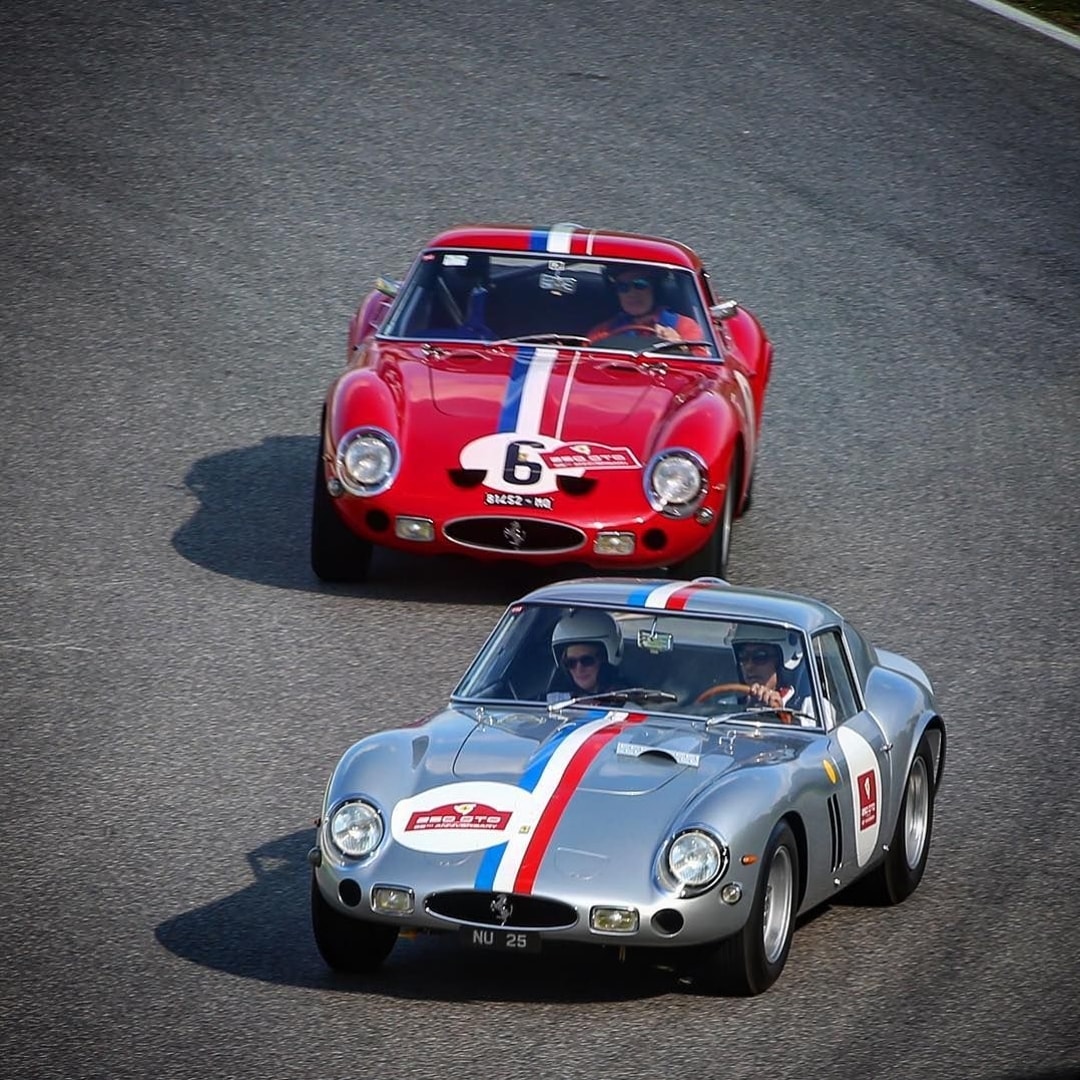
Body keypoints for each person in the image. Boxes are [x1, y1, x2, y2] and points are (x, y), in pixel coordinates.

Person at [587, 266, 706, 347]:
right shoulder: (602, 332)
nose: (631, 293)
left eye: (640, 285)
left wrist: (680, 347)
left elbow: (703, 368)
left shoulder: (684, 326)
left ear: (656, 289)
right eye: (622, 287)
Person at [548, 609, 625, 700]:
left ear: (605, 660)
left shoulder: (627, 700)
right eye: (570, 663)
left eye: (587, 661)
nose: (579, 669)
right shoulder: (552, 701)